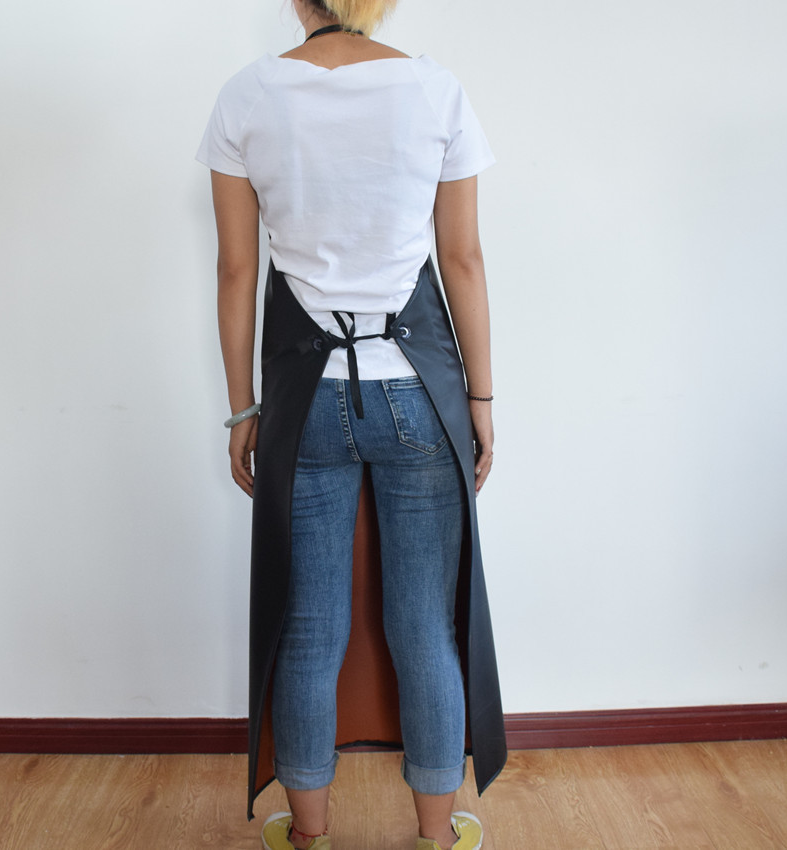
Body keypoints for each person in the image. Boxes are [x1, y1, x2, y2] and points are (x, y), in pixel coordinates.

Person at [197, 1, 506, 848]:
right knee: (425, 627)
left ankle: (309, 836)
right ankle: (438, 835)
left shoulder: (247, 95)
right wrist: (481, 402)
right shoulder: (435, 92)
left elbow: (235, 270)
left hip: (304, 404)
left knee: (308, 631)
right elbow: (463, 258)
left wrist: (243, 408)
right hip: (417, 399)